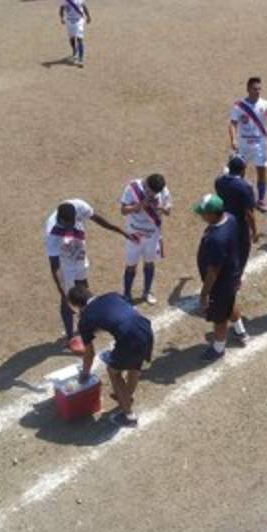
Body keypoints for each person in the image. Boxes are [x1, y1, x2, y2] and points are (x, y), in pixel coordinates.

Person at [44, 199, 135, 353]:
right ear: (61, 221)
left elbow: (98, 219)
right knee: (67, 300)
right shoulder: (52, 234)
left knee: (84, 290)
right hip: (66, 265)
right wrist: (63, 293)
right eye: (69, 226)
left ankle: (87, 323)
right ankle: (70, 337)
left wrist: (119, 230)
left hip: (80, 257)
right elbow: (55, 267)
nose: (72, 227)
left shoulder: (79, 206)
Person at [68, 286, 154, 427]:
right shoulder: (112, 295)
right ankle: (126, 396)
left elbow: (89, 354)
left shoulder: (84, 319)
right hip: (146, 329)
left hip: (128, 339)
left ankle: (129, 416)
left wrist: (85, 373)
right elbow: (126, 313)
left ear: (77, 305)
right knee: (134, 366)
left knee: (113, 372)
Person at [195, 194, 247, 360]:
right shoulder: (230, 219)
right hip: (231, 275)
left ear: (212, 214)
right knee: (230, 304)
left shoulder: (217, 239)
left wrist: (204, 294)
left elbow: (213, 271)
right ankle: (241, 332)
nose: (201, 215)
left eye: (203, 213)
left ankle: (218, 348)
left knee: (219, 318)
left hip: (220, 283)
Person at [228, 77, 267, 211]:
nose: (257, 91)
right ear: (248, 89)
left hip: (260, 144)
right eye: (254, 89)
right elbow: (233, 124)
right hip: (244, 144)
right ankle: (239, 195)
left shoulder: (264, 104)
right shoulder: (239, 106)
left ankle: (260, 199)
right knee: (239, 170)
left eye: (259, 89)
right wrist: (233, 139)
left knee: (261, 171)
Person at [119, 173, 172, 305]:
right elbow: (123, 210)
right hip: (134, 235)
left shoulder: (163, 191)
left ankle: (147, 291)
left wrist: (161, 208)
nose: (152, 195)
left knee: (149, 263)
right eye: (150, 191)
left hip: (152, 236)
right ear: (146, 184)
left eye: (155, 193)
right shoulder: (133, 188)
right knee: (131, 265)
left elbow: (168, 211)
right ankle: (126, 294)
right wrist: (140, 205)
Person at [216, 155, 260, 275]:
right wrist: (255, 231)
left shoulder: (219, 182)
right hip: (239, 225)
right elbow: (249, 213)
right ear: (242, 170)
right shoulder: (245, 187)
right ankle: (236, 277)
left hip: (223, 221)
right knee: (242, 251)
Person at [59, 0, 91, 66]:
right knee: (72, 38)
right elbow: (61, 9)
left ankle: (80, 59)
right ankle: (74, 50)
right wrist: (61, 18)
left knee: (80, 38)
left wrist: (88, 16)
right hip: (69, 20)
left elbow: (84, 7)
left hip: (79, 20)